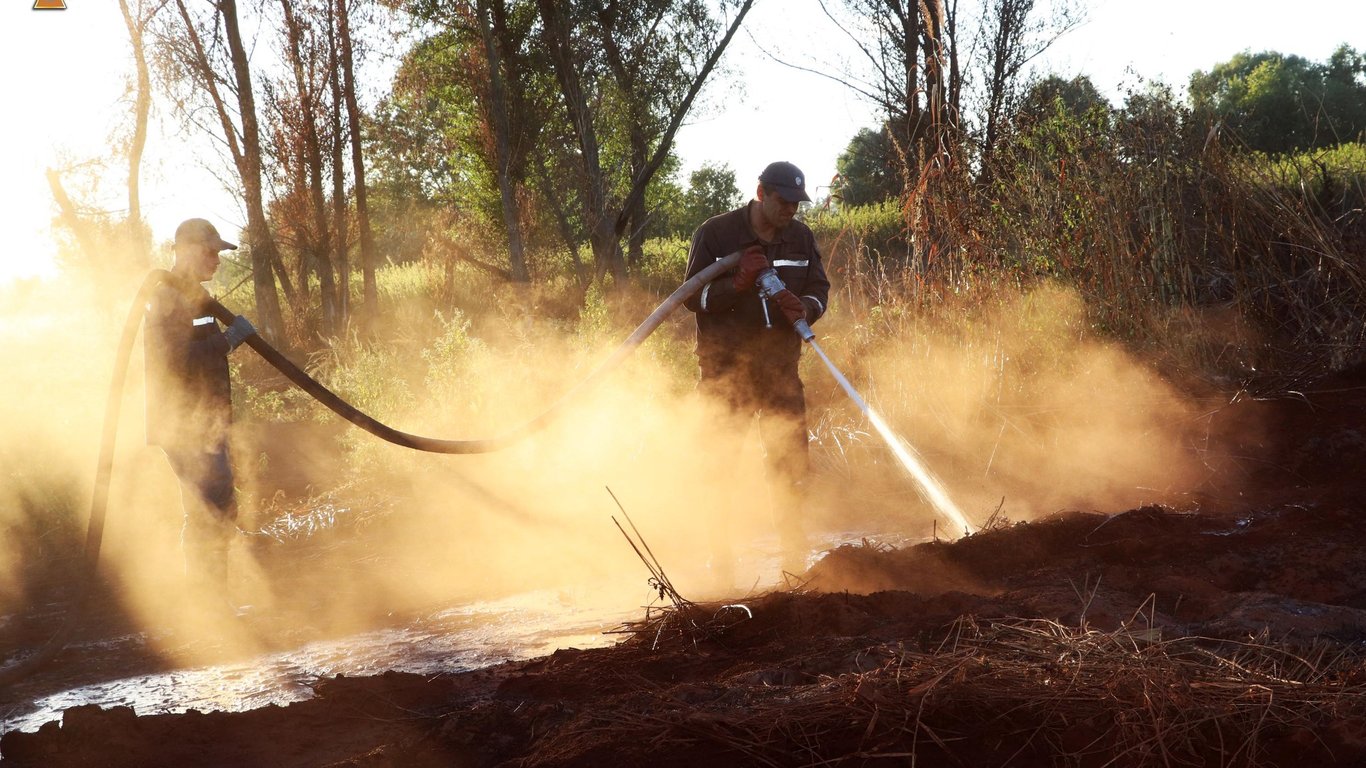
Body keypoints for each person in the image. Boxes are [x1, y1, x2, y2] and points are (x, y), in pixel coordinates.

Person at [683, 161, 831, 579]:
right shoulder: (716, 234)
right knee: (720, 468)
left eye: (796, 204)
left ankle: (794, 563)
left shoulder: (800, 237)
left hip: (780, 371)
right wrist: (738, 284)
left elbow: (819, 288)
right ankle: (721, 566)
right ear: (761, 193)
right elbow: (694, 299)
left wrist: (807, 309)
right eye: (783, 201)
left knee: (791, 467)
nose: (791, 211)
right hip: (724, 373)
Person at [144, 218, 256, 606]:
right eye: (211, 251)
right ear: (187, 250)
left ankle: (211, 599)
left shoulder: (191, 296)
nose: (217, 260)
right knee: (210, 503)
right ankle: (208, 601)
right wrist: (227, 341)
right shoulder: (168, 298)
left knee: (214, 502)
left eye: (219, 252)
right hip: (183, 425)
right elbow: (173, 362)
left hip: (203, 422)